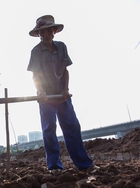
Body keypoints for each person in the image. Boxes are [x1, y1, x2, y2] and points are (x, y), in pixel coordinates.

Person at [27, 15, 94, 171]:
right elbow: (35, 75)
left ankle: (84, 164)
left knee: (72, 128)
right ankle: (55, 166)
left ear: (53, 31)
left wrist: (65, 90)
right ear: (38, 35)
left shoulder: (62, 47)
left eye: (47, 31)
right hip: (46, 97)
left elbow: (65, 71)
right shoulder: (36, 51)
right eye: (40, 32)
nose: (44, 35)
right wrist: (40, 91)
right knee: (49, 130)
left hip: (61, 95)